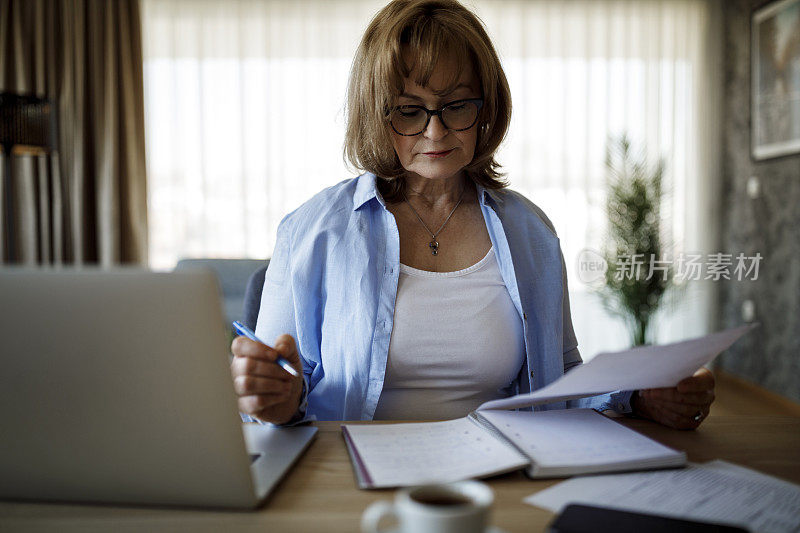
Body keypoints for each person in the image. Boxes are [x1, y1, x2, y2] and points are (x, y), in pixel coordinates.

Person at [229, 0, 715, 429]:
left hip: (500, 474)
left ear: (486, 107)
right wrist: (278, 399)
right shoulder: (312, 230)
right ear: (375, 112)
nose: (436, 133)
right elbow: (269, 400)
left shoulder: (530, 231)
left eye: (456, 105)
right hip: (350, 476)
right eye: (409, 110)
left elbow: (559, 376)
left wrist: (639, 396)